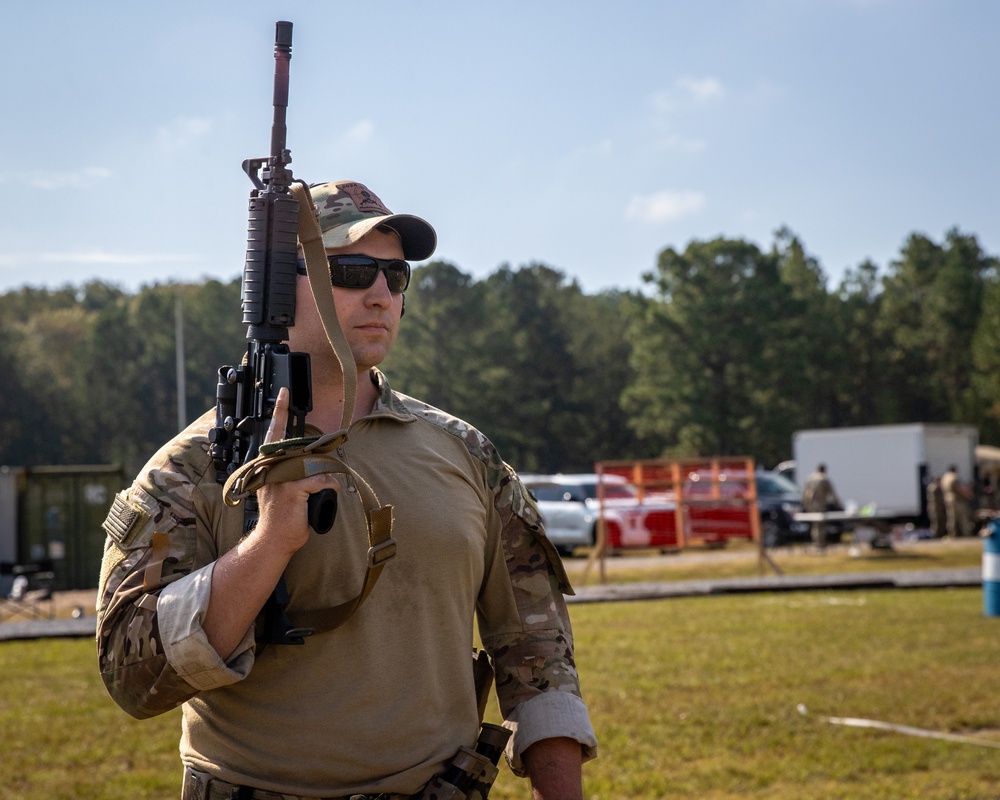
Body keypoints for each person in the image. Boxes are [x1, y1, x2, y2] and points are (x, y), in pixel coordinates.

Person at [96, 180, 597, 799]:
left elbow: (535, 652)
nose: (382, 294)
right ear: (281, 289)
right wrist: (268, 544)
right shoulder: (196, 467)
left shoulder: (465, 453)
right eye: (353, 271)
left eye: (396, 275)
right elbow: (130, 676)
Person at [802, 463, 841, 549]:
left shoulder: (810, 478)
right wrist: (838, 503)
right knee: (821, 525)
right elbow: (832, 493)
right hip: (820, 505)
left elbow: (805, 493)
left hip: (811, 505)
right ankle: (820, 543)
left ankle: (815, 541)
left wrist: (805, 505)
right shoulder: (824, 478)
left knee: (815, 525)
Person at [940, 464, 973, 538]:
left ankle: (952, 534)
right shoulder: (954, 478)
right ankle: (966, 534)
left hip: (948, 499)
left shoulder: (945, 478)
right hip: (957, 500)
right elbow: (959, 489)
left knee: (952, 518)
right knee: (963, 517)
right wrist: (967, 495)